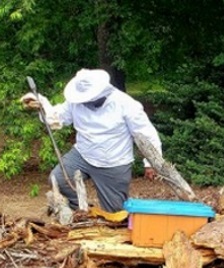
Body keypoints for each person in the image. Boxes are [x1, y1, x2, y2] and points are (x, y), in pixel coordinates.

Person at [21, 68, 162, 213]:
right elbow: (57, 118)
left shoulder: (126, 105)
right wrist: (41, 103)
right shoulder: (75, 102)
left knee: (115, 212)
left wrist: (150, 163)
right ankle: (80, 212)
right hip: (82, 154)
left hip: (114, 162)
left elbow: (146, 134)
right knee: (59, 179)